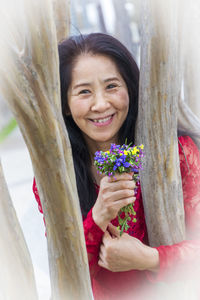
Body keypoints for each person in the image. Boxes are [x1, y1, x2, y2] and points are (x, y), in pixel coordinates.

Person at [33, 33, 200, 300]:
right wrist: (97, 218)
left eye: (111, 86)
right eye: (84, 91)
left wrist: (150, 259)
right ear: (64, 104)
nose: (100, 104)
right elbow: (66, 278)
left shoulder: (176, 153)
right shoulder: (55, 179)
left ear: (131, 90)